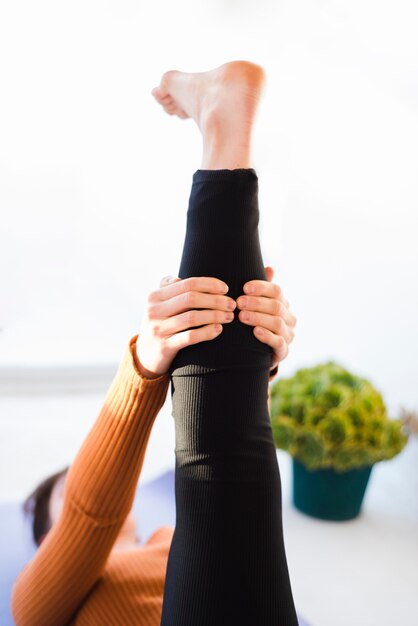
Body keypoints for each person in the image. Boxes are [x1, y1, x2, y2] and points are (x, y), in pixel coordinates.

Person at [11, 60, 297, 626]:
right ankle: (223, 127)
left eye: (83, 479)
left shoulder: (174, 542)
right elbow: (90, 518)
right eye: (63, 497)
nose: (93, 494)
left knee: (217, 345)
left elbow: (227, 491)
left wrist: (247, 344)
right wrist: (242, 353)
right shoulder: (36, 603)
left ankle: (223, 127)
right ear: (47, 536)